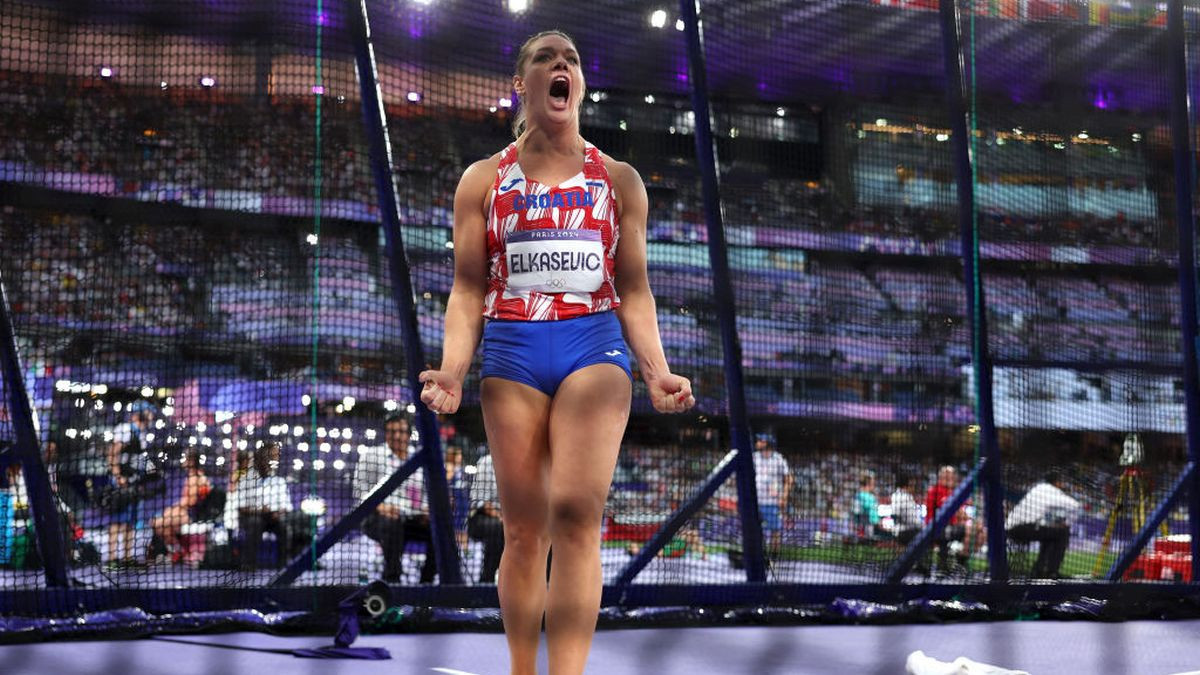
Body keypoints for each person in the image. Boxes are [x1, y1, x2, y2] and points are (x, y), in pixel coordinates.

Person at [418, 29, 694, 675]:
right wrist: (454, 370)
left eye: (571, 58)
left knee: (574, 516)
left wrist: (657, 369)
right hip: (512, 349)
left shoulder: (619, 181)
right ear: (523, 84)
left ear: (580, 86)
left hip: (592, 344)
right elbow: (466, 288)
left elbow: (634, 289)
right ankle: (522, 667)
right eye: (547, 58)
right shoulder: (483, 180)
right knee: (523, 530)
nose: (561, 65)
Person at [354, 412, 435, 584]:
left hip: (412, 518)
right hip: (377, 518)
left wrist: (427, 510)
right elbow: (360, 493)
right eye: (391, 432)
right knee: (392, 524)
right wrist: (380, 507)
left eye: (401, 432)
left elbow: (427, 493)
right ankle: (392, 579)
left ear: (409, 434)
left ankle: (426, 583)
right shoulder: (372, 455)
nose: (396, 436)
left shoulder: (419, 458)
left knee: (438, 530)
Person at [103, 400, 162, 569]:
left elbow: (140, 459)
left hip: (135, 482)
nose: (151, 416)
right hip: (121, 481)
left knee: (131, 520)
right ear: (140, 413)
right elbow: (113, 453)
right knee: (117, 520)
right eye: (148, 412)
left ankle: (127, 557)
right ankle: (111, 558)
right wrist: (117, 476)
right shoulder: (125, 429)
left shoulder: (142, 434)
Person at [237, 442, 308, 570]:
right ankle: (249, 564)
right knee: (255, 523)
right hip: (253, 517)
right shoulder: (246, 480)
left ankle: (283, 564)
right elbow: (241, 507)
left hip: (274, 518)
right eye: (263, 460)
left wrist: (277, 512)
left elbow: (287, 506)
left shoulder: (279, 481)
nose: (266, 463)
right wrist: (260, 510)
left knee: (284, 526)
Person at [1006, 470, 1081, 579]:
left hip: (1011, 529)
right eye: (1061, 482)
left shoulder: (1037, 488)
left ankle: (1039, 570)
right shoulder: (1051, 491)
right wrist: (1067, 523)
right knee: (1063, 533)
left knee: (1050, 535)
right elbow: (1075, 505)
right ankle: (1051, 572)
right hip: (1024, 528)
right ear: (1057, 482)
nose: (1062, 484)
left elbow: (1038, 516)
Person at [150, 449, 214, 564]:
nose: (182, 461)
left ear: (191, 461)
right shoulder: (193, 476)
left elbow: (191, 501)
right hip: (186, 512)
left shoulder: (195, 477)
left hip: (192, 514)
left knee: (157, 523)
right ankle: (177, 552)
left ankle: (177, 552)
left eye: (185, 458)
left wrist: (173, 508)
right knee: (161, 525)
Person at [925, 465, 982, 575]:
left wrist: (971, 521)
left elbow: (961, 513)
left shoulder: (953, 491)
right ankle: (957, 562)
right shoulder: (935, 490)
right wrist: (970, 522)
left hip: (952, 527)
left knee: (982, 534)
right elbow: (957, 512)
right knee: (972, 529)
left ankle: (960, 562)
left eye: (952, 476)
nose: (951, 478)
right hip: (936, 528)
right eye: (947, 475)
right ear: (941, 476)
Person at [753, 432, 793, 556]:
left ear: (767, 443)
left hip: (772, 502)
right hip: (756, 501)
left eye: (760, 440)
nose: (757, 443)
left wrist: (784, 496)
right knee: (754, 530)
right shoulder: (754, 457)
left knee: (775, 531)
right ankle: (757, 555)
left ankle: (774, 557)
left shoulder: (778, 458)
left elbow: (789, 479)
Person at [468, 448, 504, 584]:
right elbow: (481, 502)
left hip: (515, 518)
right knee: (496, 527)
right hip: (482, 517)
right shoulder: (487, 462)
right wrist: (502, 517)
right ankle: (486, 580)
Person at [889, 472, 924, 546]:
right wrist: (924, 526)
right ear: (906, 486)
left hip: (897, 531)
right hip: (906, 532)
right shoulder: (905, 497)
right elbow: (912, 520)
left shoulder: (895, 495)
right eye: (912, 485)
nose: (914, 488)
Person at [851, 471, 884, 539]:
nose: (874, 486)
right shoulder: (870, 497)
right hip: (869, 529)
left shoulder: (857, 495)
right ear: (868, 484)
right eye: (873, 484)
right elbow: (873, 516)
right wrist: (879, 523)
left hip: (859, 529)